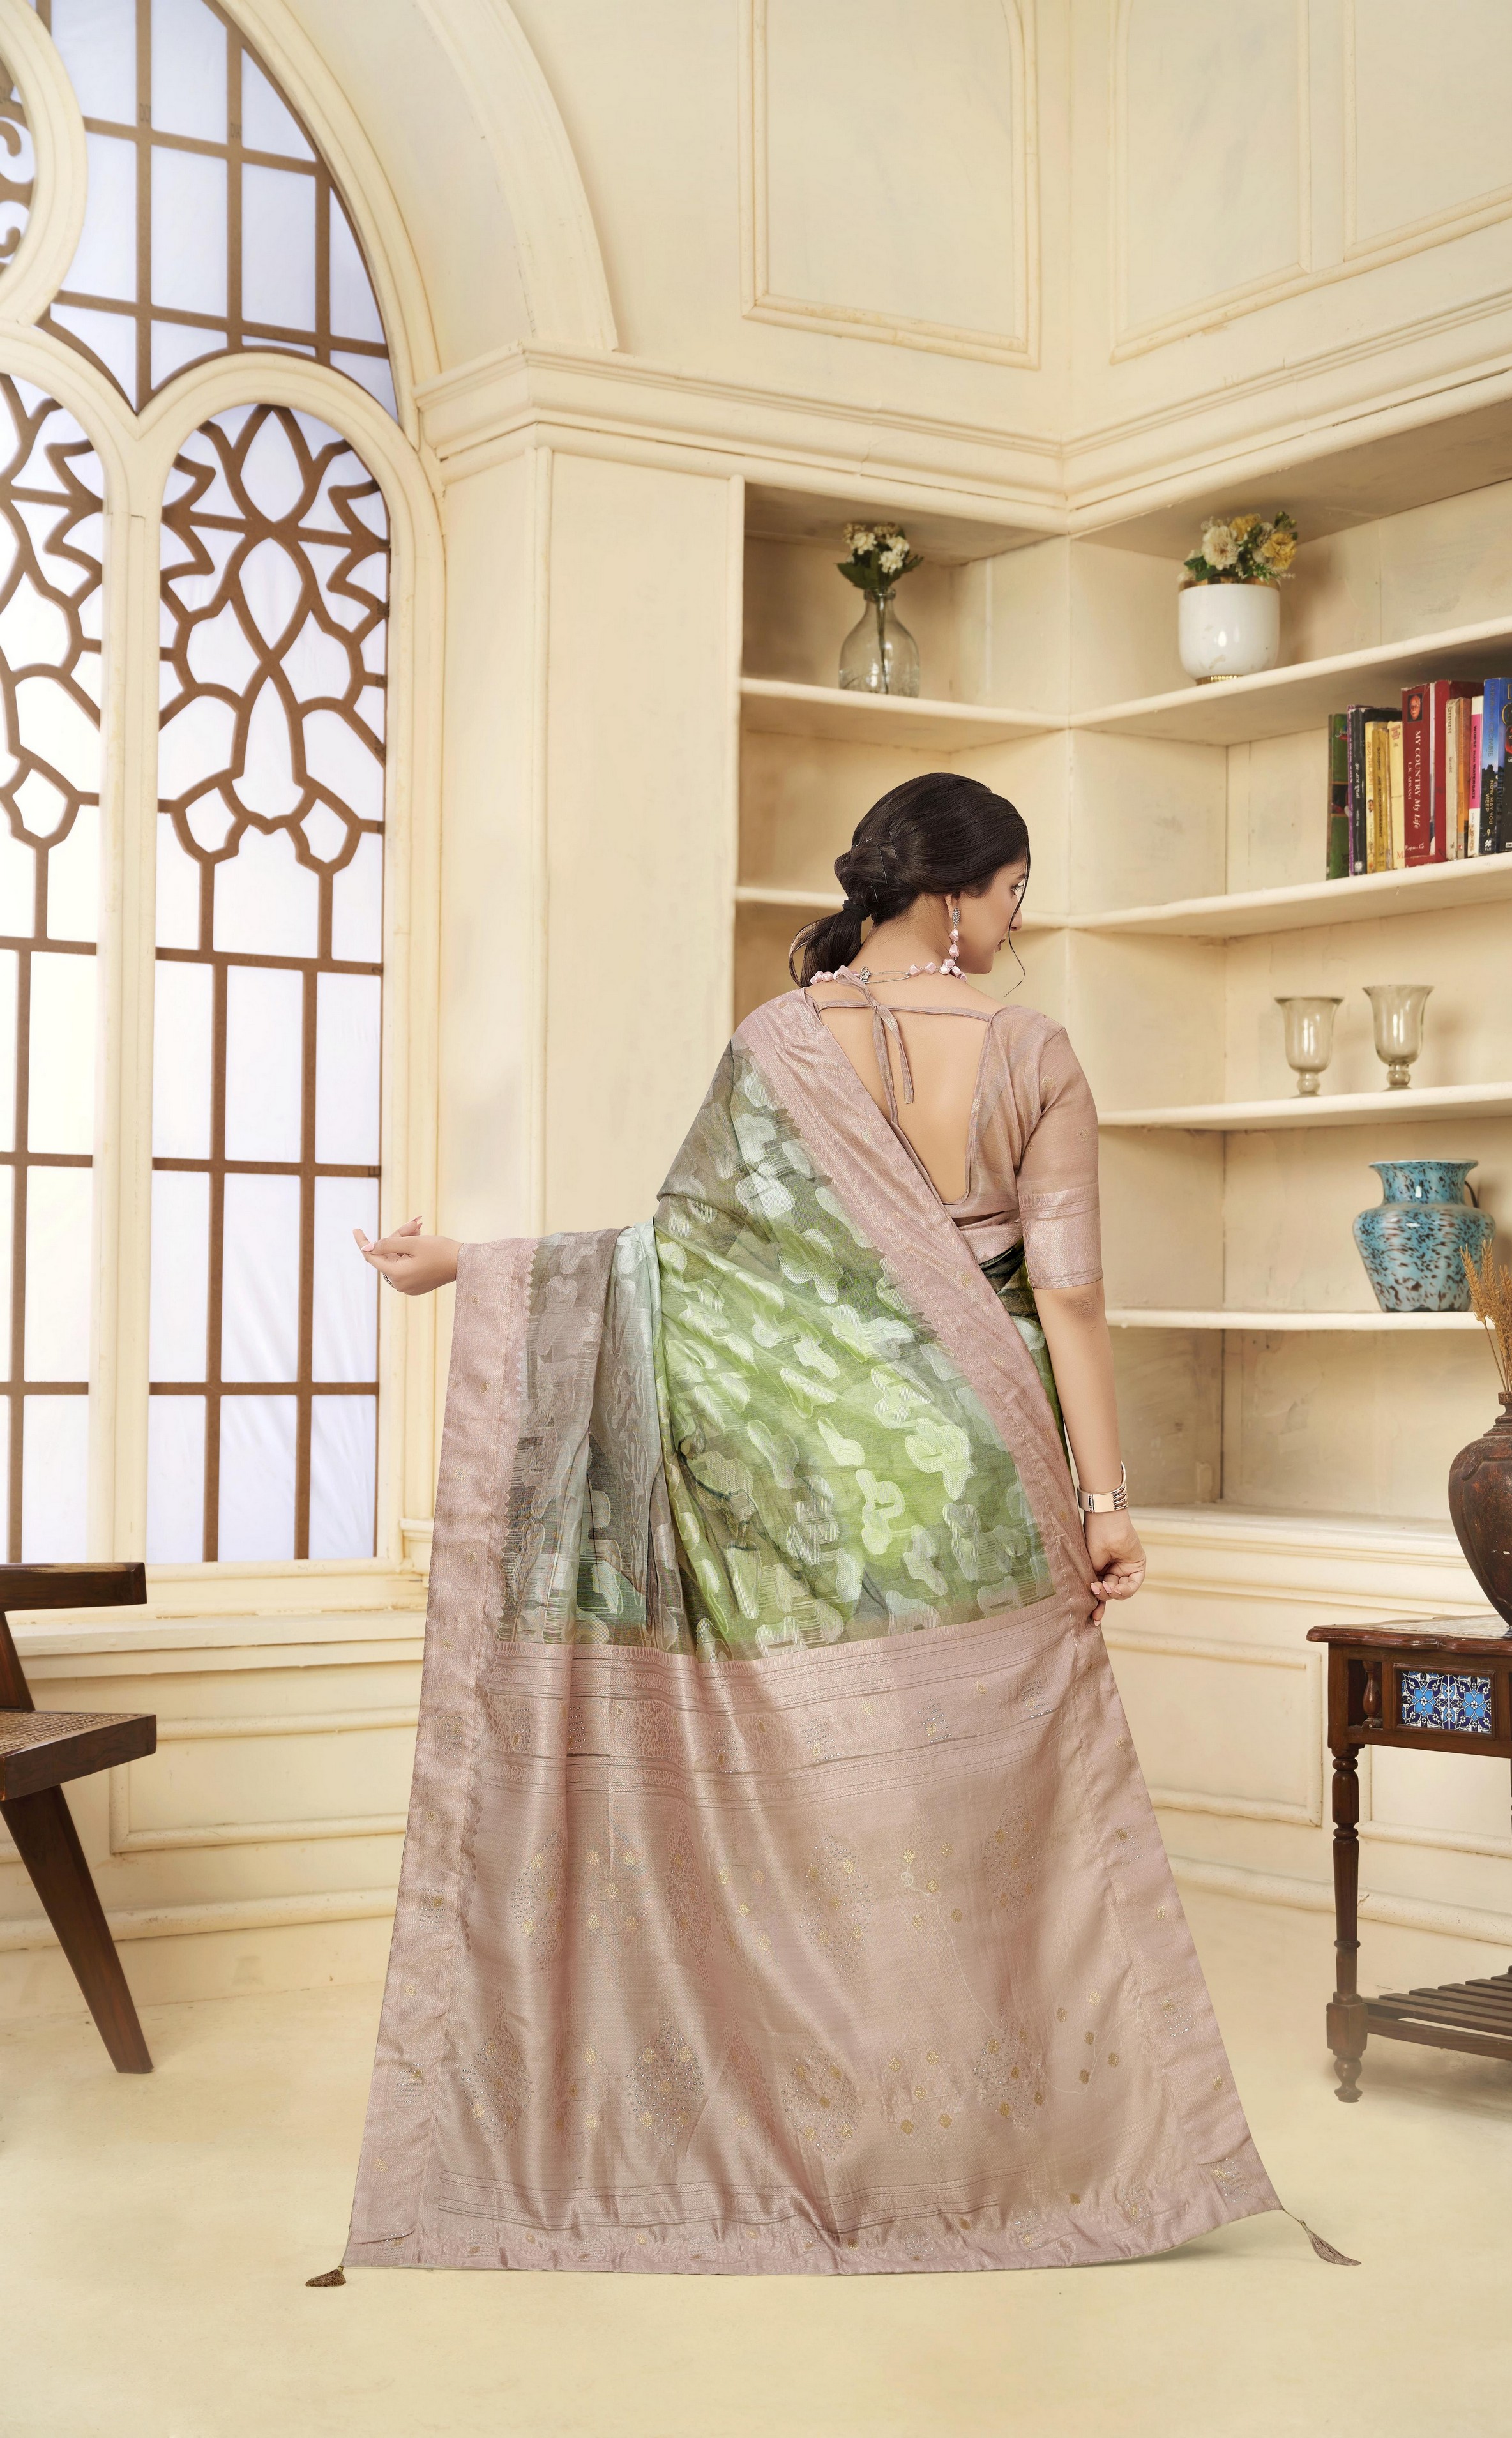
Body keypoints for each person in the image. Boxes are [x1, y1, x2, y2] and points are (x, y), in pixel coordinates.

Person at [336, 771, 1288, 2277]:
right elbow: (1073, 1297)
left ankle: (813, 2131)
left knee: (831, 1806)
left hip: (805, 1483)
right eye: (1013, 893)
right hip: (981, 1472)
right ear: (961, 896)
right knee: (992, 1818)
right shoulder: (1033, 1051)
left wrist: (475, 1262)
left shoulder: (779, 1041)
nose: (1016, 922)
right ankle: (994, 2154)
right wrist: (1106, 1502)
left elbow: (684, 1269)